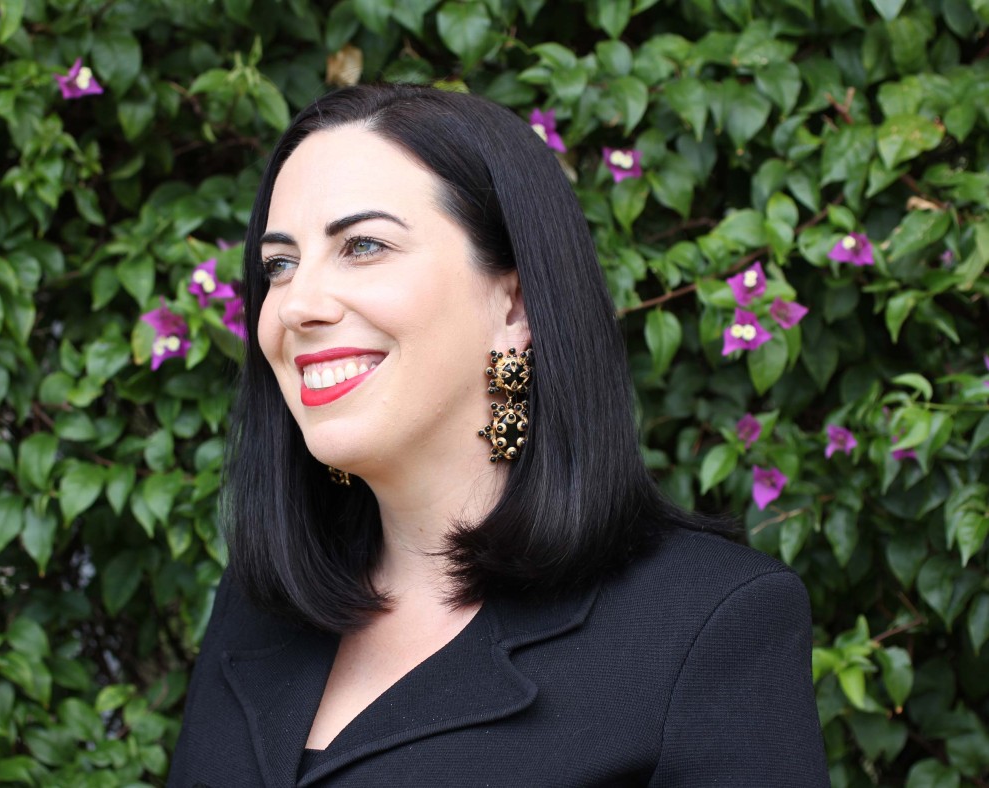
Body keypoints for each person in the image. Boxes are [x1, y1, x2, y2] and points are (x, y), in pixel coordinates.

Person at [167, 83, 828, 787]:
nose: (297, 305)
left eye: (362, 246)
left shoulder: (706, 624)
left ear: (513, 303)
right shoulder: (264, 605)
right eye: (279, 264)